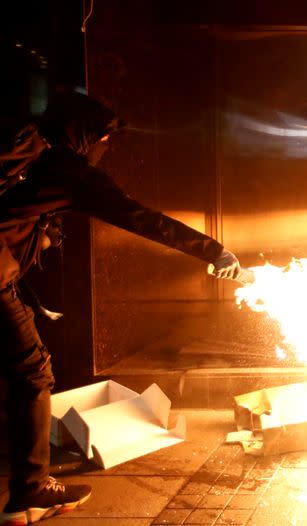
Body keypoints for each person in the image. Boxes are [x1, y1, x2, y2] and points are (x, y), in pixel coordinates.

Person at [0, 90, 243, 524]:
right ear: (85, 135)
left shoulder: (24, 158)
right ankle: (31, 491)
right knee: (33, 371)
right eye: (104, 141)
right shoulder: (68, 171)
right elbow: (138, 217)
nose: (104, 150)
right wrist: (213, 251)